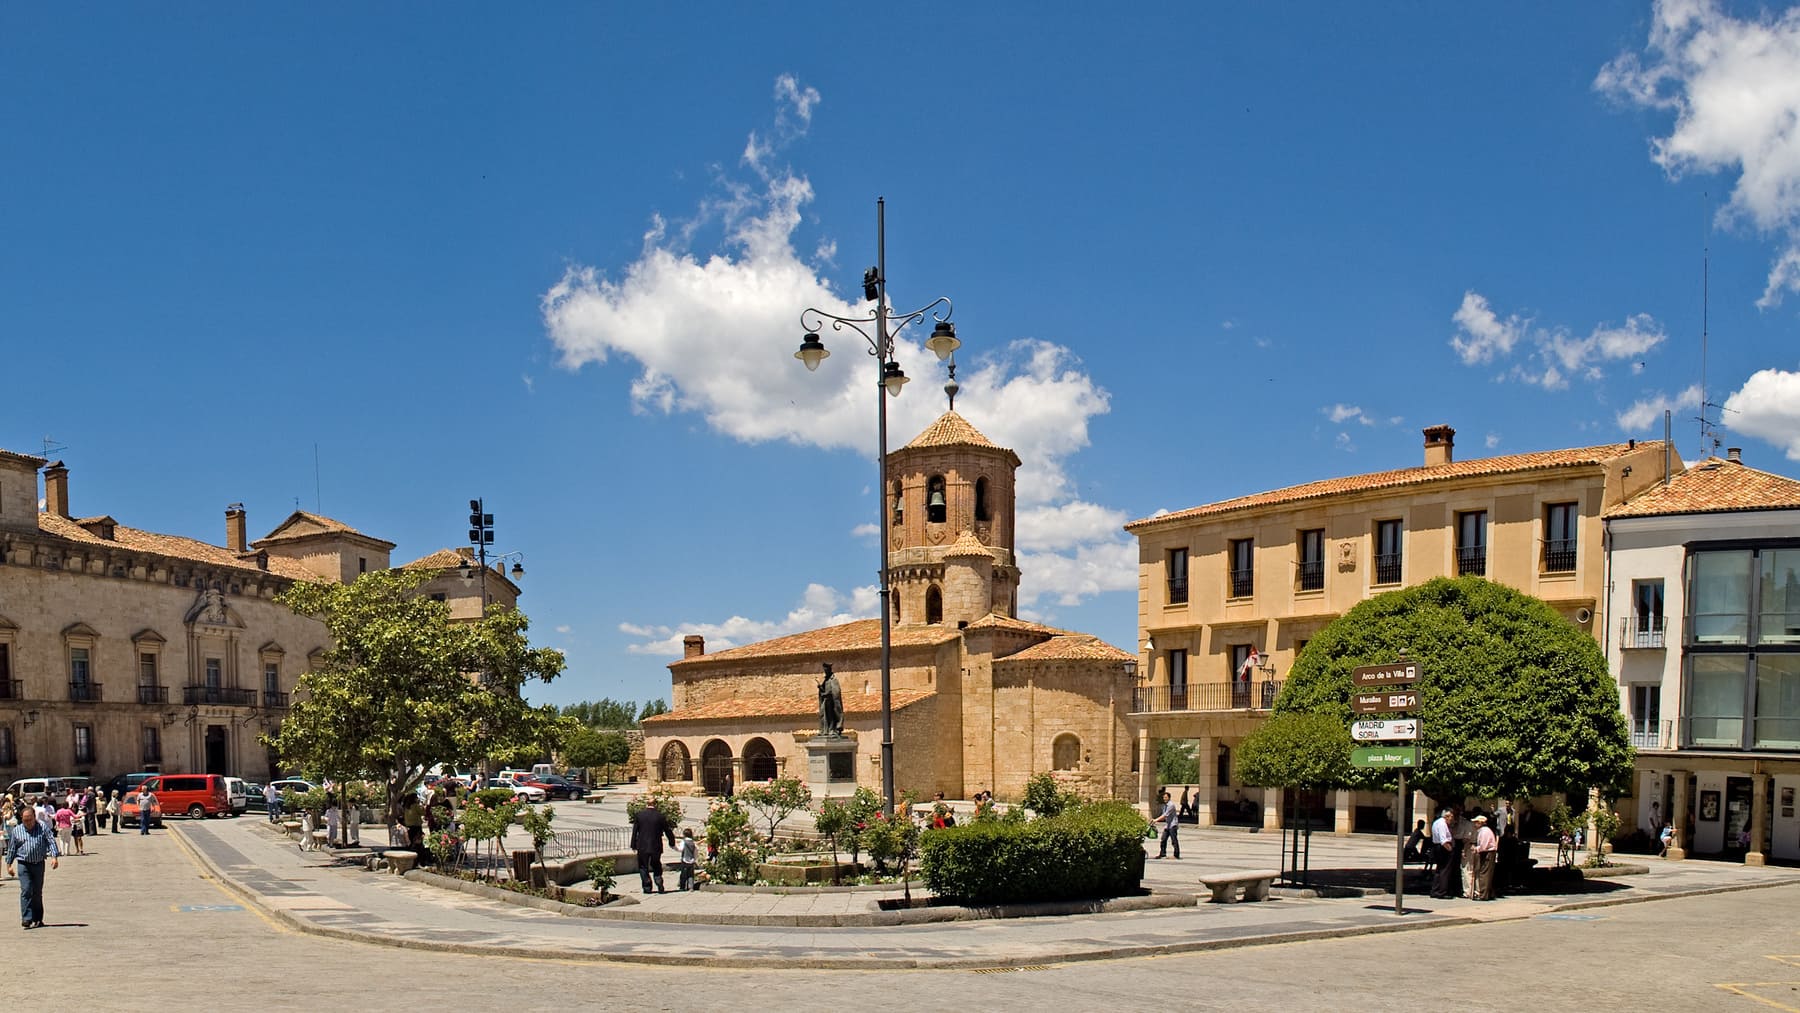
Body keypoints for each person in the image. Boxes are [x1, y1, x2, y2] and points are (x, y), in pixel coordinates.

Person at [4, 803, 58, 928]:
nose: (27, 822)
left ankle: (38, 918)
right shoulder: (18, 830)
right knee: (26, 890)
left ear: (34, 817)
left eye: (29, 819)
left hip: (38, 864)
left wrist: (54, 857)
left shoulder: (42, 827)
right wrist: (9, 865)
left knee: (37, 892)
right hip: (23, 864)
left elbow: (51, 841)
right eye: (25, 820)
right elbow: (12, 848)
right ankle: (27, 918)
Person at [630, 800, 677, 894]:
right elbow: (667, 830)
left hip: (642, 845)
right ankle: (658, 880)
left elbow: (635, 831)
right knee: (656, 864)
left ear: (646, 804)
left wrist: (633, 845)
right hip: (656, 845)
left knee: (643, 866)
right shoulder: (660, 816)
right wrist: (672, 842)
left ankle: (647, 886)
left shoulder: (640, 815)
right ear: (655, 805)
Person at [1429, 808, 1459, 899]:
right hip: (1443, 848)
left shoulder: (1436, 822)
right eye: (1451, 817)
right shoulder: (1442, 824)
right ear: (1447, 816)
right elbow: (1444, 840)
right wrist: (1450, 850)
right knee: (1445, 870)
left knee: (1439, 869)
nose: (1452, 819)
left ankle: (1435, 890)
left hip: (1437, 846)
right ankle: (1442, 891)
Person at [1470, 815, 1498, 900]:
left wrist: (1476, 849)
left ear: (1480, 823)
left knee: (1484, 873)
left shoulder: (1485, 831)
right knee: (1486, 873)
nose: (1475, 824)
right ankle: (1488, 893)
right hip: (1486, 852)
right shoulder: (1483, 831)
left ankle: (1483, 894)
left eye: (1476, 822)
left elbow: (1483, 846)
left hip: (1487, 853)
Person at [1152, 789, 1180, 859]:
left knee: (1174, 840)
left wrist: (1156, 820)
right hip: (1168, 825)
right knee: (1163, 839)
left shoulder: (1171, 805)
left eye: (1166, 797)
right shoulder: (1165, 805)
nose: (1164, 798)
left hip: (1173, 825)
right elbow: (1163, 815)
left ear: (1169, 798)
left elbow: (1165, 815)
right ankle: (1162, 853)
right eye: (1164, 797)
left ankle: (1176, 855)